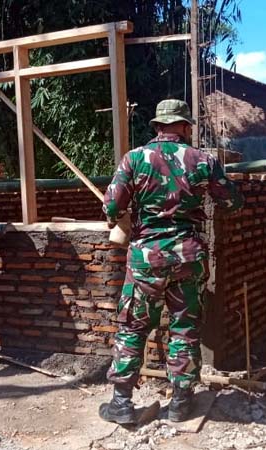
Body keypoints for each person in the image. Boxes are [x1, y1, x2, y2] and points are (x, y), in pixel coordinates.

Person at [99, 99, 244, 424]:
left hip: (146, 259)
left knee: (133, 327)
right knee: (184, 329)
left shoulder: (134, 159)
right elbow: (233, 201)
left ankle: (121, 402)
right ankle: (181, 402)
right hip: (188, 257)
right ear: (184, 126)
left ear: (157, 126)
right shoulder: (202, 160)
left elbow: (110, 209)